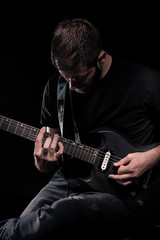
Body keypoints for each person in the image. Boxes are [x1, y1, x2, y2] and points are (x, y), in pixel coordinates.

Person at [0, 18, 160, 240]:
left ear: (100, 59)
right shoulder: (55, 89)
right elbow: (49, 153)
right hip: (69, 179)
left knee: (59, 215)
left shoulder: (146, 82)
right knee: (24, 231)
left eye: (79, 78)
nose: (72, 86)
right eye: (67, 78)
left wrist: (151, 158)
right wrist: (43, 162)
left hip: (123, 195)